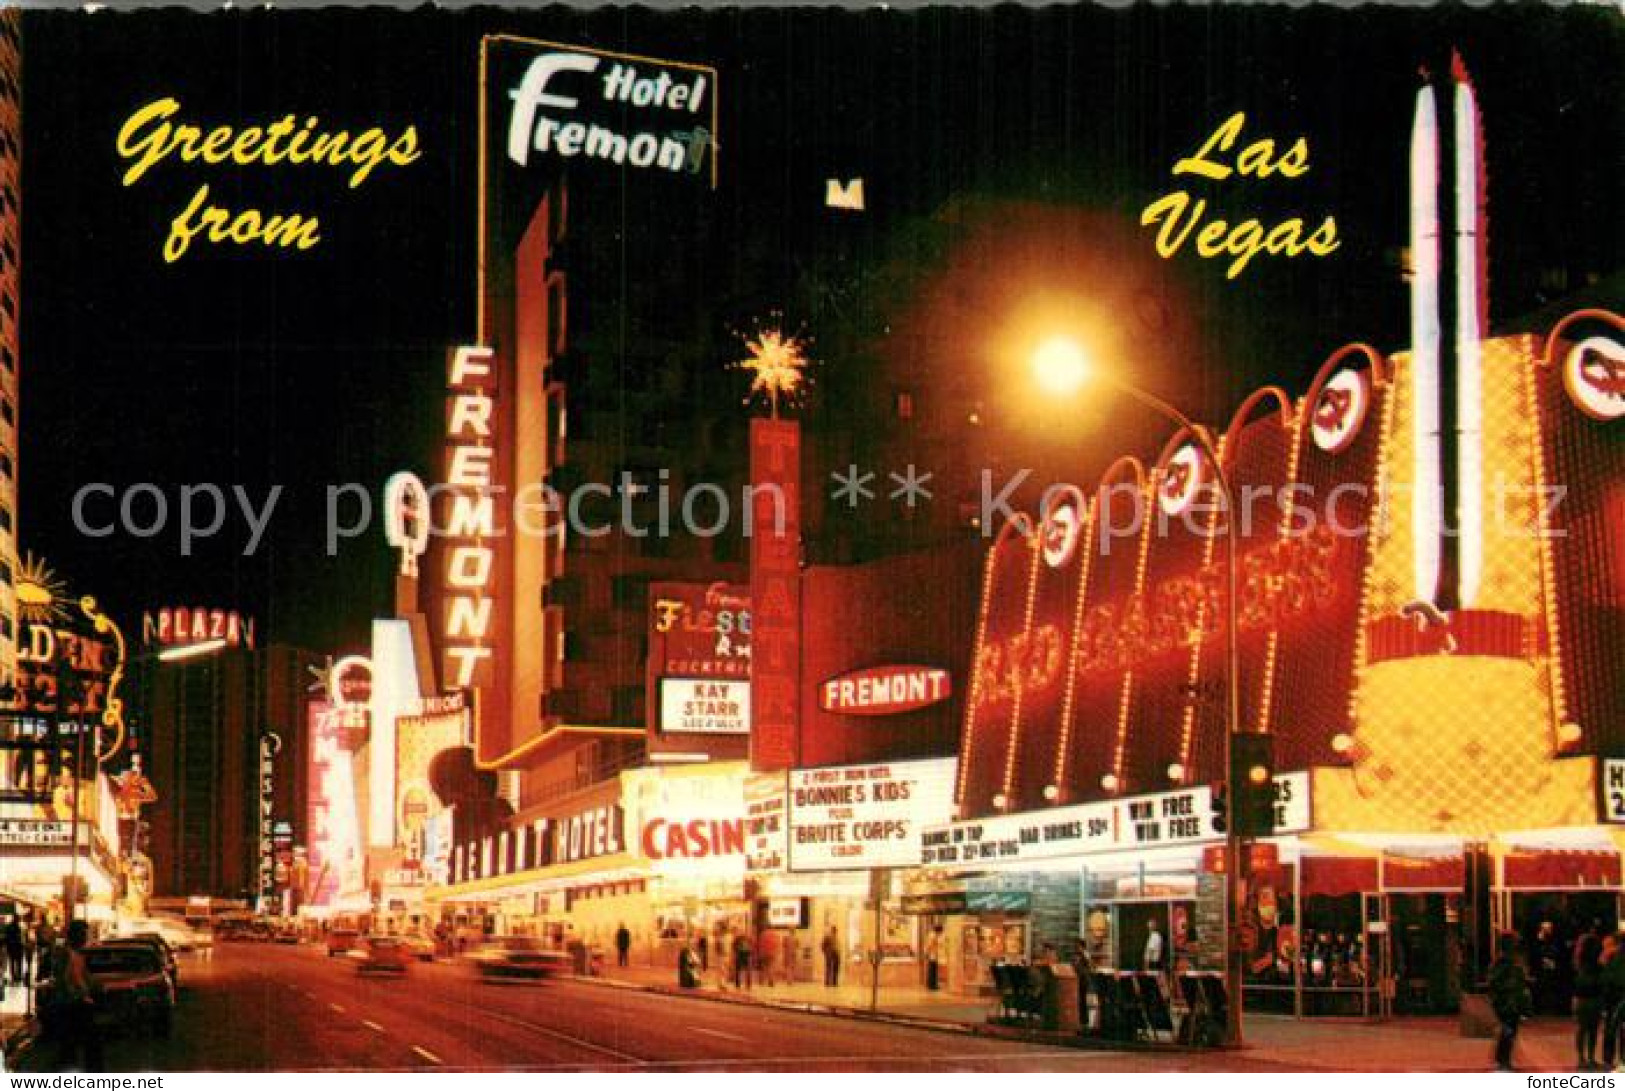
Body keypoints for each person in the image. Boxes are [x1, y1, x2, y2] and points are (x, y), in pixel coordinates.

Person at [53, 920, 102, 1072]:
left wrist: (93, 987)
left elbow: (83, 978)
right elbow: (65, 980)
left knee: (82, 1045)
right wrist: (81, 996)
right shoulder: (65, 954)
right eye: (85, 934)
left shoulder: (78, 954)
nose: (87, 937)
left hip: (78, 1004)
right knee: (76, 1045)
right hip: (71, 1005)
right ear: (78, 935)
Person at [1489, 931, 1533, 1072]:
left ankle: (1504, 1059)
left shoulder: (1511, 960)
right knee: (1508, 1030)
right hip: (1507, 1001)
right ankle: (1503, 1060)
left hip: (1511, 1000)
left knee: (1510, 1030)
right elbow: (1496, 980)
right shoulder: (1504, 961)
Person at [1577, 934, 1605, 1070]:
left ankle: (1584, 1058)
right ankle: (1587, 1058)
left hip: (1585, 998)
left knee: (1585, 1029)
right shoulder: (1592, 964)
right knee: (1589, 1029)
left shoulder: (1582, 963)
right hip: (1591, 997)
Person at [1600, 934, 1625, 1070]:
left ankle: (1608, 1059)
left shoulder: (1611, 957)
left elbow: (1607, 978)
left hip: (1613, 997)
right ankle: (1620, 1058)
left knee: (1612, 1029)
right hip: (1617, 996)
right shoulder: (1613, 956)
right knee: (1618, 1029)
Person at [4, 915, 23, 986]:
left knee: (12, 962)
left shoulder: (9, 927)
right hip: (17, 947)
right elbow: (20, 938)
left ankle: (14, 975)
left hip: (11, 948)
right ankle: (18, 976)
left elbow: (6, 938)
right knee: (18, 962)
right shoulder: (18, 927)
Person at [925, 925, 944, 991]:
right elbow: (930, 945)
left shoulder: (932, 935)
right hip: (932, 955)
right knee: (933, 970)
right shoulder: (933, 936)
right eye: (941, 932)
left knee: (932, 970)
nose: (940, 933)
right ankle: (932, 985)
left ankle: (931, 984)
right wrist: (929, 952)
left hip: (932, 954)